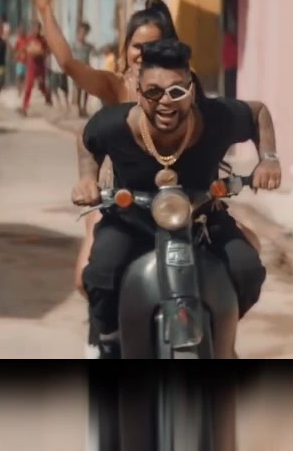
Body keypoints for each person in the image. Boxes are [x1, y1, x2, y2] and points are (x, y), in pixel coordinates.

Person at [17, 0, 267, 296]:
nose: (145, 54)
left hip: (184, 198)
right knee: (86, 279)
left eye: (155, 46)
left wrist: (256, 165)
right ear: (125, 49)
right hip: (125, 196)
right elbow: (67, 64)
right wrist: (45, 9)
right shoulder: (114, 84)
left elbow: (219, 125)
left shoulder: (184, 85)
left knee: (248, 250)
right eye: (138, 46)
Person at [73, 39, 281, 359]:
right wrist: (87, 179)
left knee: (247, 270)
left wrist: (268, 158)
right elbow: (87, 140)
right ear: (139, 93)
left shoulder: (215, 117)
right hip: (132, 220)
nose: (165, 102)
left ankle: (219, 335)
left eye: (176, 91)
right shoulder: (116, 125)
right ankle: (111, 338)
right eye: (153, 92)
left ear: (191, 91)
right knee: (100, 275)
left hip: (202, 218)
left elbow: (258, 113)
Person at [18, 21, 52, 117]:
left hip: (40, 65)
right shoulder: (29, 38)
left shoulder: (43, 40)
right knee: (29, 86)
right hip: (31, 65)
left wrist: (42, 53)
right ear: (32, 29)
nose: (35, 30)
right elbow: (23, 48)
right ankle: (25, 107)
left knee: (41, 84)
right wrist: (25, 52)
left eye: (37, 28)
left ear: (40, 29)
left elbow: (48, 50)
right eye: (34, 28)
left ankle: (47, 96)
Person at [71, 22, 96, 118]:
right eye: (81, 33)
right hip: (77, 70)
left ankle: (84, 108)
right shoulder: (74, 46)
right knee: (78, 90)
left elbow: (95, 51)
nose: (82, 35)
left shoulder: (88, 46)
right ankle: (79, 108)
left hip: (86, 70)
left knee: (86, 90)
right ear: (77, 33)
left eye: (84, 33)